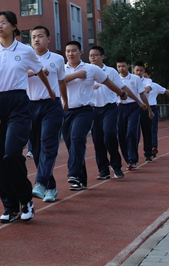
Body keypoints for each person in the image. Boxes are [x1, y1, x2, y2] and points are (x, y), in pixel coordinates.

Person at [0, 11, 54, 223]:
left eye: (4, 22)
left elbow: (40, 72)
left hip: (18, 103)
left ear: (14, 27)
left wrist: (51, 93)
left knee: (11, 154)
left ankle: (26, 200)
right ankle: (9, 206)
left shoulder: (25, 51)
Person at [62, 42, 128, 191]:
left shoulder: (91, 69)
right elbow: (57, 82)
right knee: (72, 145)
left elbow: (108, 82)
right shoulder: (60, 69)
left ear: (81, 52)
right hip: (66, 112)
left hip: (85, 110)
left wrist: (122, 93)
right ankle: (81, 181)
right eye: (68, 51)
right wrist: (76, 75)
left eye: (74, 51)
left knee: (77, 138)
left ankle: (73, 173)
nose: (71, 54)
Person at [27, 26, 67, 203]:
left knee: (48, 143)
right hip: (30, 106)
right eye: (34, 37)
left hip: (51, 105)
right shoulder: (25, 57)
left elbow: (62, 82)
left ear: (48, 39)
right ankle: (51, 186)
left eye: (40, 36)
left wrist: (65, 100)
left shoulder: (57, 59)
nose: (36, 40)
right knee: (35, 149)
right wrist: (36, 72)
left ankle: (40, 183)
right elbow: (17, 74)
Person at [88, 46, 134, 179]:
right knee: (98, 140)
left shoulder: (111, 71)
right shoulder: (86, 71)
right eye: (91, 55)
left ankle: (116, 165)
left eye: (96, 55)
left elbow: (121, 86)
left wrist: (135, 99)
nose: (93, 58)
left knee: (109, 133)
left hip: (110, 107)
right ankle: (103, 170)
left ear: (103, 56)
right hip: (93, 109)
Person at [116, 57, 152, 171]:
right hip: (120, 107)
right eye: (119, 66)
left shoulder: (135, 78)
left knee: (131, 132)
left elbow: (142, 94)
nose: (121, 69)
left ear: (128, 66)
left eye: (123, 66)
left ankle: (132, 159)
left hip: (134, 107)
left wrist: (148, 108)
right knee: (121, 135)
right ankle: (127, 159)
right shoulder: (114, 78)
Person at [144, 69, 169, 157]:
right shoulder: (136, 84)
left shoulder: (154, 86)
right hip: (142, 108)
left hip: (153, 108)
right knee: (144, 130)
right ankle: (146, 149)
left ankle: (153, 147)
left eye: (145, 75)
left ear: (149, 76)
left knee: (153, 129)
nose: (142, 76)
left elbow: (166, 91)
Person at [133, 61, 158, 163]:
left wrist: (143, 90)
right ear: (134, 70)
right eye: (137, 70)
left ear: (144, 71)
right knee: (133, 133)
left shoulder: (148, 81)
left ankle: (148, 154)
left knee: (147, 131)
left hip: (144, 108)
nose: (139, 72)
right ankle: (132, 156)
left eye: (141, 70)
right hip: (134, 108)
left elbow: (147, 89)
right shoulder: (131, 80)